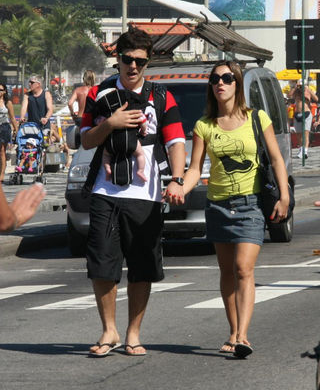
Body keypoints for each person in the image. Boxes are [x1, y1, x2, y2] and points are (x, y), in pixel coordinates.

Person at [80, 27, 186, 357]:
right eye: (128, 59)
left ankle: (133, 333)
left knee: (142, 266)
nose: (134, 66)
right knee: (103, 263)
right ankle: (108, 330)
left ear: (147, 62)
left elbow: (176, 142)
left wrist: (177, 179)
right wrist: (110, 124)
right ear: (118, 59)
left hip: (147, 193)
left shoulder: (161, 96)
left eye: (140, 61)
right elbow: (84, 139)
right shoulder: (99, 94)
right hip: (105, 190)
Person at [179, 60, 290, 358]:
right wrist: (181, 187)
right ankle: (233, 330)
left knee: (244, 269)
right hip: (217, 205)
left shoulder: (257, 118)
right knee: (227, 271)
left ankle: (243, 335)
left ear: (237, 84)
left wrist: (284, 195)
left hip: (250, 204)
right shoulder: (204, 125)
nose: (221, 83)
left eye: (228, 78)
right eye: (216, 79)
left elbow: (277, 160)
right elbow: (194, 169)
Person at [288, 79, 318, 159]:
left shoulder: (308, 90)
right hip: (297, 113)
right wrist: (295, 87)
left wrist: (309, 91)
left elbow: (316, 99)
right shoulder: (296, 91)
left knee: (305, 133)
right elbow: (289, 95)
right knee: (298, 134)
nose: (301, 87)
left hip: (306, 113)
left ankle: (305, 151)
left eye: (302, 86)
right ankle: (301, 150)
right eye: (300, 86)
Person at [0, 83, 18, 183]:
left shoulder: (7, 103)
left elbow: (12, 118)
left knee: (2, 151)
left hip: (4, 127)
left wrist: (16, 130)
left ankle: (2, 173)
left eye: (1, 90)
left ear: (4, 91)